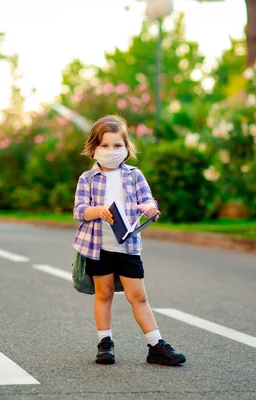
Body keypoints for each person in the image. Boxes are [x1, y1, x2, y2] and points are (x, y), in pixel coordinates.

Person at [73, 115, 186, 366]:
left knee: (138, 296)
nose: (111, 151)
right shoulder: (87, 179)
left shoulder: (134, 175)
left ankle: (155, 345)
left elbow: (148, 200)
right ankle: (105, 342)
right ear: (93, 148)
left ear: (126, 148)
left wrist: (149, 208)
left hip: (127, 246)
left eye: (117, 145)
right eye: (105, 145)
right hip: (98, 247)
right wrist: (97, 210)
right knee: (104, 293)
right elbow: (79, 210)